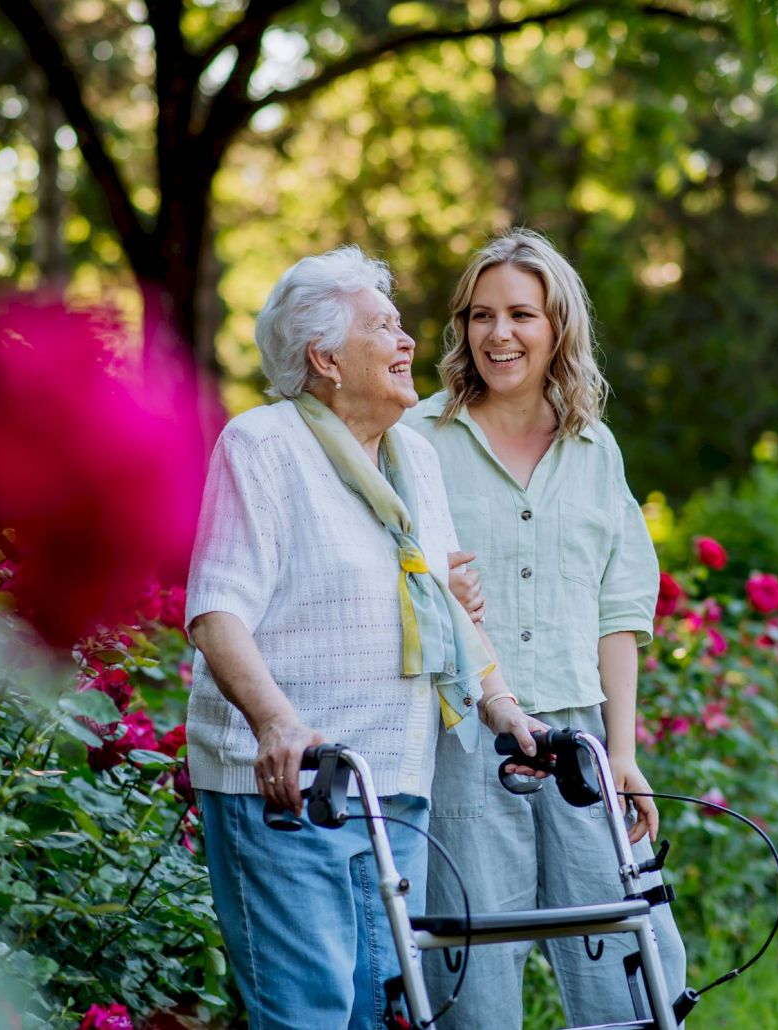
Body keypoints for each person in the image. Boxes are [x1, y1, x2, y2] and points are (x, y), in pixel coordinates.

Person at [184, 245, 541, 1029]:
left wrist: (503, 707)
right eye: (384, 326)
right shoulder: (265, 446)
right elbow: (217, 610)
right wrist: (276, 721)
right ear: (325, 358)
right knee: (310, 1013)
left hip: (394, 787)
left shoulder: (412, 455)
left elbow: (445, 606)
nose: (409, 341)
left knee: (387, 1013)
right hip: (290, 789)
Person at [405, 229, 687, 1028]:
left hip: (578, 739)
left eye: (522, 314)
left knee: (630, 964)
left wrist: (622, 752)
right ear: (461, 327)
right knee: (472, 969)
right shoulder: (417, 441)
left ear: (558, 326)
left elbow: (620, 613)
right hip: (463, 738)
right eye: (481, 315)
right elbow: (391, 575)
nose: (500, 335)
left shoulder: (595, 451)